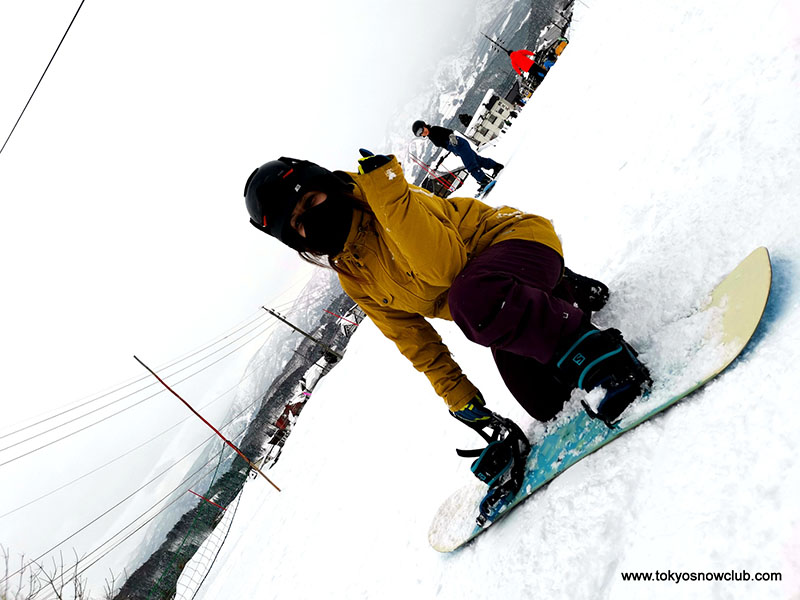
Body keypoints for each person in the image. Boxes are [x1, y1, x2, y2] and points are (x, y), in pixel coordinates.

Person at [242, 151, 650, 519]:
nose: (312, 218)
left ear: (329, 187)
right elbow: (414, 341)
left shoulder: (395, 202)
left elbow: (445, 269)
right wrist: (462, 401)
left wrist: (387, 193)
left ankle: (604, 354)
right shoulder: (354, 276)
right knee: (546, 402)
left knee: (469, 298)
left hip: (520, 244)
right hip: (493, 304)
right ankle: (567, 295)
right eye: (298, 223)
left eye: (312, 201)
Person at [412, 121, 502, 193]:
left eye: (421, 129)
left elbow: (449, 132)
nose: (423, 133)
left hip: (458, 144)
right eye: (420, 134)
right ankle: (496, 166)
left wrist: (451, 137)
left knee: (470, 164)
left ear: (424, 125)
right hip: (456, 148)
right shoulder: (430, 136)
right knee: (477, 160)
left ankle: (484, 180)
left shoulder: (434, 129)